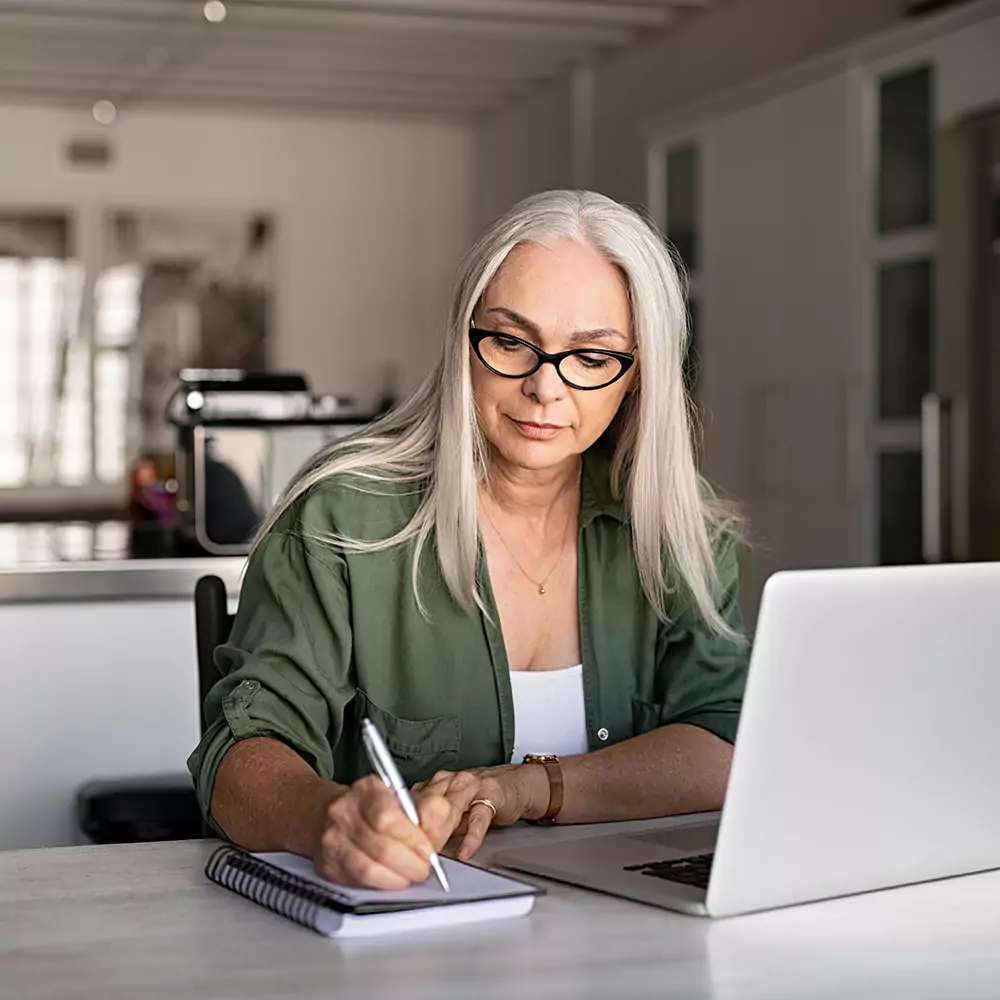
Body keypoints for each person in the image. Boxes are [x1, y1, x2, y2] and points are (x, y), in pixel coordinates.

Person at [188, 190, 749, 891]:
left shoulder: (676, 527)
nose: (546, 388)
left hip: (630, 926)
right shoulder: (340, 516)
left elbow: (726, 745)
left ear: (638, 377)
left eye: (592, 356)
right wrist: (322, 819)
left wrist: (523, 788)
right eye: (512, 341)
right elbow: (239, 754)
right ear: (464, 340)